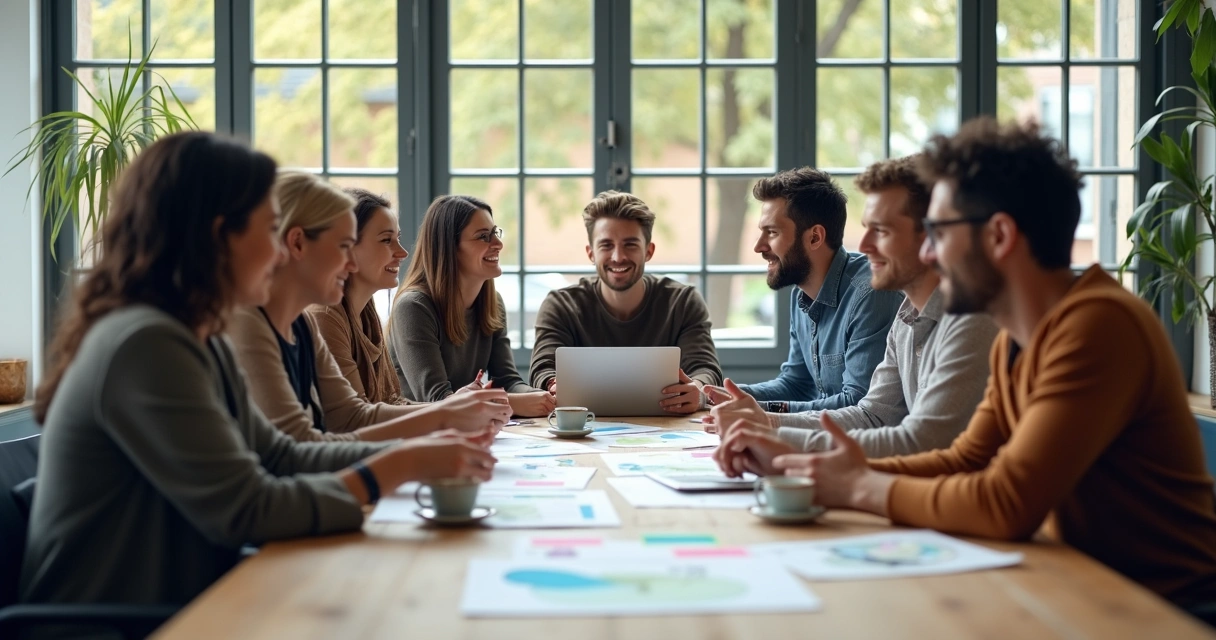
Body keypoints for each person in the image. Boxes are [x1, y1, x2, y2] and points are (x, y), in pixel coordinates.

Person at [716, 118, 1216, 612]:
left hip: (1166, 609)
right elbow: (962, 459)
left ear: (998, 236)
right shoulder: (1016, 341)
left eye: (938, 230)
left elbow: (1005, 502)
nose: (930, 251)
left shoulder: (1098, 326)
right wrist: (796, 460)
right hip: (1081, 584)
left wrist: (856, 485)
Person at [20, 132, 496, 609]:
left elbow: (282, 455)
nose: (280, 252)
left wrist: (418, 451)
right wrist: (403, 464)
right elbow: (248, 508)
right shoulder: (147, 343)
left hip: (179, 601)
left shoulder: (198, 338)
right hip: (116, 622)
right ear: (218, 234)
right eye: (270, 231)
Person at [707, 156, 999, 457]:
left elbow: (922, 442)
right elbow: (872, 416)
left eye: (882, 230)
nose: (865, 245)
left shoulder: (971, 321)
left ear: (931, 238)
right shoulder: (906, 317)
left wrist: (775, 436)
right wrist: (765, 421)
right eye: (867, 228)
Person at [228, 173, 511, 442]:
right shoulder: (302, 318)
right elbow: (336, 427)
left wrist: (452, 415)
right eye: (342, 246)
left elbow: (354, 414)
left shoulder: (309, 325)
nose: (349, 264)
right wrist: (447, 417)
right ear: (297, 243)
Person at [705, 168, 904, 414]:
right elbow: (796, 384)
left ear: (814, 238)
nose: (758, 246)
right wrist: (714, 396)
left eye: (772, 232)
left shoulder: (871, 294)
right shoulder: (801, 295)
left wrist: (754, 411)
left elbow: (856, 404)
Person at [528, 190, 723, 414]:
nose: (618, 257)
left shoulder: (683, 302)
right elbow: (542, 370)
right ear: (591, 253)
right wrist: (553, 385)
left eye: (630, 244)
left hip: (668, 423)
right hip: (583, 427)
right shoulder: (560, 305)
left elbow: (705, 368)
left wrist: (697, 390)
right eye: (606, 245)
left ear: (648, 251)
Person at [388, 195, 554, 417]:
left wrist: (545, 398)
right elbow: (438, 400)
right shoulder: (413, 308)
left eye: (495, 233)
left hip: (463, 430)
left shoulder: (493, 303)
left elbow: (507, 381)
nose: (498, 244)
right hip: (417, 436)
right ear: (449, 248)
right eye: (483, 237)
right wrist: (513, 403)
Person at [306, 188, 410, 405]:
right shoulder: (324, 317)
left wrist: (456, 407)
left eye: (397, 238)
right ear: (348, 247)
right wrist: (453, 411)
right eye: (386, 240)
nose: (402, 252)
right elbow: (356, 417)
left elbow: (393, 404)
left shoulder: (367, 315)